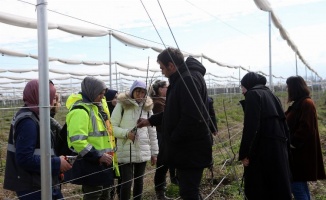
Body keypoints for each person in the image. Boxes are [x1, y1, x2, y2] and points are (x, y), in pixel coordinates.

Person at [137, 47, 213, 200]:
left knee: (188, 192)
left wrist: (173, 137)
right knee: (190, 190)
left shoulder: (186, 80)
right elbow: (174, 112)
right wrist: (150, 121)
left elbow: (191, 117)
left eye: (162, 67)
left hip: (190, 149)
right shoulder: (184, 79)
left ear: (171, 65)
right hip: (190, 148)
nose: (162, 71)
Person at [3, 79, 72, 200]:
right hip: (33, 185)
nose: (53, 101)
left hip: (38, 181)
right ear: (39, 96)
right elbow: (24, 158)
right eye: (50, 96)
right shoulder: (28, 122)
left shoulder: (34, 115)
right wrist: (57, 163)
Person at [239, 72, 292, 200]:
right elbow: (284, 124)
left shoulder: (253, 94)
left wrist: (245, 154)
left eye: (242, 87)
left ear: (248, 85)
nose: (242, 91)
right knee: (277, 188)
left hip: (262, 152)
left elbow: (252, 127)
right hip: (278, 150)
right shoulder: (271, 94)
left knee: (259, 189)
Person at [66, 76, 117, 200]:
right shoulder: (80, 111)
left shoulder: (95, 108)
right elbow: (78, 141)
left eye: (103, 94)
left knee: (105, 194)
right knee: (94, 195)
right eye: (100, 93)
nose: (103, 97)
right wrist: (98, 156)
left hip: (103, 163)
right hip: (91, 163)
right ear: (91, 91)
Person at [110, 80, 158, 200]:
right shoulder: (122, 105)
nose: (140, 95)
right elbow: (111, 127)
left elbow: (152, 131)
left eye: (143, 92)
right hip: (126, 148)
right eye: (137, 92)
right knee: (126, 182)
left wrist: (154, 153)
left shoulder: (147, 108)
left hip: (143, 148)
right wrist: (126, 133)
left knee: (139, 180)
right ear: (132, 91)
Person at [284, 76, 326, 199]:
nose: (287, 89)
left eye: (288, 86)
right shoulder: (300, 103)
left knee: (297, 186)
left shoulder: (306, 103)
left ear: (294, 88)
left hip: (301, 154)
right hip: (299, 153)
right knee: (300, 186)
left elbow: (306, 128)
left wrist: (292, 143)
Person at [149, 80, 176, 200]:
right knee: (162, 163)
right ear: (160, 89)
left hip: (165, 135)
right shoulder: (158, 102)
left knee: (167, 162)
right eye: (166, 87)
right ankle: (160, 192)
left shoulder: (164, 100)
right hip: (160, 136)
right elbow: (163, 120)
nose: (168, 89)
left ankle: (166, 187)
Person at [104, 89, 121, 200]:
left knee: (119, 172)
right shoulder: (105, 113)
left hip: (118, 145)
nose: (117, 100)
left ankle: (117, 193)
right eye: (114, 97)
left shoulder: (119, 111)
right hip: (108, 146)